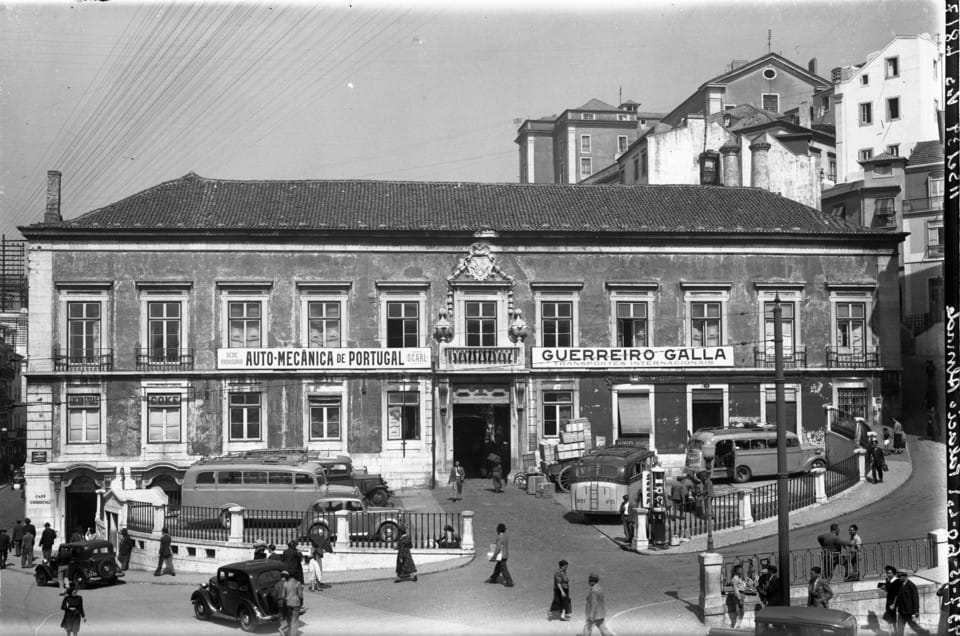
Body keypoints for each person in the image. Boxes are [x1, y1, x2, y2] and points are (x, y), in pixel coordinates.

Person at [894, 570, 924, 636]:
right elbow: (898, 598)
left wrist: (916, 612)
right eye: (898, 577)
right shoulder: (899, 586)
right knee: (900, 630)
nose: (899, 578)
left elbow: (915, 599)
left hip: (909, 613)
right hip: (901, 612)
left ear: (905, 577)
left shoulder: (912, 586)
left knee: (915, 628)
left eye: (900, 576)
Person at [485, 522, 513, 587]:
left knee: (504, 569)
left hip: (501, 556)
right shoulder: (505, 536)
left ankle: (510, 582)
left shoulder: (500, 537)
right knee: (498, 568)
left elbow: (498, 548)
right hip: (505, 555)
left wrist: (493, 556)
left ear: (499, 530)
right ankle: (493, 578)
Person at [878, 564, 901, 629]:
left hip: (894, 602)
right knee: (890, 619)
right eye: (887, 573)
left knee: (893, 618)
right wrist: (884, 587)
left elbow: (897, 593)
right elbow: (889, 590)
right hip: (889, 601)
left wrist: (894, 604)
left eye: (889, 573)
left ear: (893, 573)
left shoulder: (897, 581)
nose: (888, 575)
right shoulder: (889, 581)